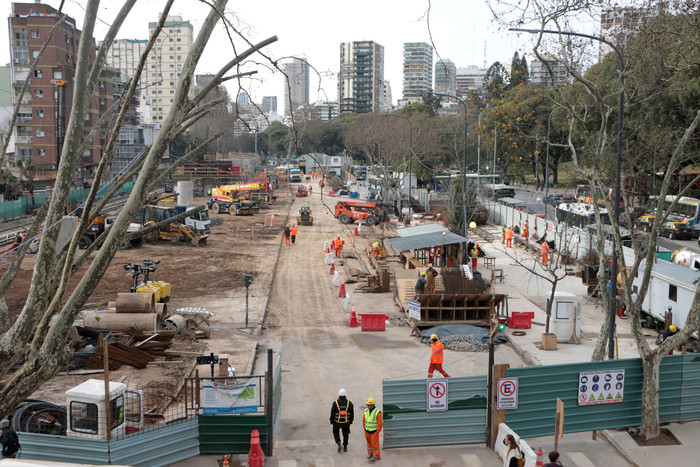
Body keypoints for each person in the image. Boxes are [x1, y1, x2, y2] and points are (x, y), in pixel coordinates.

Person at [330, 388, 354, 453]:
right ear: (345, 395)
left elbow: (333, 413)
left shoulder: (335, 403)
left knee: (335, 432)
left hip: (337, 422)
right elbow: (352, 413)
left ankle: (339, 444)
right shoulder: (350, 403)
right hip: (346, 422)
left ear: (339, 395)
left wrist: (331, 420)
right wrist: (351, 420)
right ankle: (345, 446)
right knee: (346, 433)